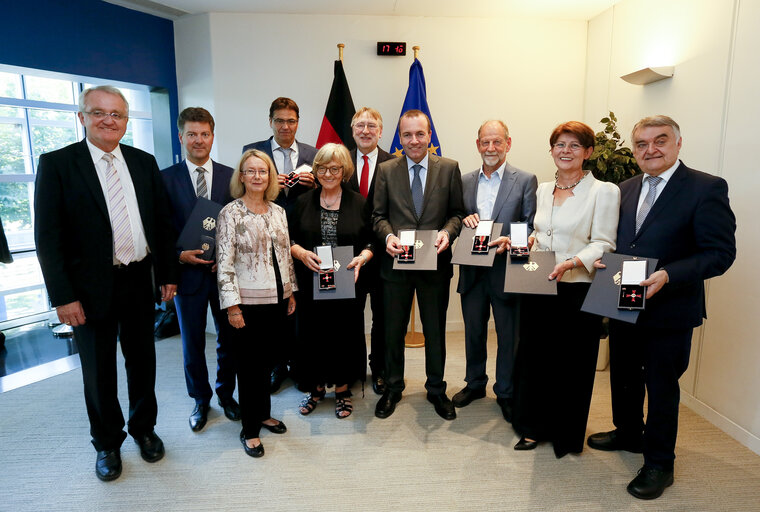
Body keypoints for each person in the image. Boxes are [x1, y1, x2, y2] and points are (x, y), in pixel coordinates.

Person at [586, 116, 736, 499]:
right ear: (634, 149)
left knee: (662, 387)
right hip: (622, 300)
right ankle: (628, 433)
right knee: (622, 376)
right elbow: (621, 244)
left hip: (670, 308)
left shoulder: (706, 188)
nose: (650, 149)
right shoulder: (625, 188)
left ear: (678, 144)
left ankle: (659, 463)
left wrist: (669, 274)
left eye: (660, 141)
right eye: (641, 143)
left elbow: (719, 254)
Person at [34, 85, 178, 481]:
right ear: (82, 117)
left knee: (142, 362)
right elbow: (48, 239)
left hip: (137, 279)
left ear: (127, 122)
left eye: (116, 114)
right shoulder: (58, 164)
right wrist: (62, 297)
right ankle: (107, 443)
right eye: (99, 113)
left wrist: (166, 274)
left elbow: (162, 225)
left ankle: (144, 429)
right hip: (87, 289)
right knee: (98, 371)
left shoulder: (144, 162)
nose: (108, 120)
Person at [511, 121, 619, 458]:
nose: (566, 151)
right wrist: (527, 240)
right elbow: (542, 232)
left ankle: (566, 434)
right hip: (538, 281)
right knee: (534, 356)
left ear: (588, 152)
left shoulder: (604, 191)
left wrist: (572, 263)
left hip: (577, 288)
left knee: (573, 363)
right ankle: (532, 427)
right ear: (552, 150)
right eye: (560, 144)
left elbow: (605, 242)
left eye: (574, 145)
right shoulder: (543, 189)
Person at [372, 109, 465, 420]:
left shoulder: (449, 168)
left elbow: (457, 214)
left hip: (434, 265)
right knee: (393, 330)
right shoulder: (385, 171)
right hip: (395, 265)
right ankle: (394, 388)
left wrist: (446, 234)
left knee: (435, 330)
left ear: (429, 135)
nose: (414, 140)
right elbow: (378, 216)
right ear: (400, 137)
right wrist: (386, 238)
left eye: (420, 134)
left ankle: (437, 389)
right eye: (407, 134)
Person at [453, 120, 537, 422]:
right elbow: (457, 214)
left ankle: (506, 391)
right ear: (478, 145)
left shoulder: (525, 179)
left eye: (497, 142)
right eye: (485, 142)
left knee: (507, 335)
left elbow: (530, 224)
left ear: (508, 143)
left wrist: (510, 241)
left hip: (506, 270)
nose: (491, 148)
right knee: (474, 331)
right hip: (473, 270)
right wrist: (464, 219)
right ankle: (475, 384)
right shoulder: (463, 180)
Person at [162, 107, 239, 432]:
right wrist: (178, 256)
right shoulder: (165, 178)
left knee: (229, 339)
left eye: (204, 134)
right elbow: (159, 229)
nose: (198, 140)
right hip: (187, 276)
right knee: (192, 342)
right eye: (191, 134)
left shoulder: (229, 175)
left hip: (225, 276)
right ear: (181, 137)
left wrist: (230, 255)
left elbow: (240, 223)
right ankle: (200, 399)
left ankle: (226, 394)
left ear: (212, 136)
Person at [216, 149, 296, 458]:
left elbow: (285, 255)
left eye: (262, 171)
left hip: (276, 299)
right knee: (248, 367)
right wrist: (232, 306)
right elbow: (224, 264)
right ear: (241, 176)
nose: (257, 176)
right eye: (251, 171)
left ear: (270, 177)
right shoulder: (230, 213)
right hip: (246, 303)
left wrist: (291, 293)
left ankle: (263, 414)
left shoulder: (278, 212)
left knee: (266, 363)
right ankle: (249, 429)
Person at [289, 143, 374, 418]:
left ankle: (341, 390)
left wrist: (363, 256)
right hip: (310, 281)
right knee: (311, 335)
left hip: (347, 281)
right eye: (323, 168)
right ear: (316, 170)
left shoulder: (360, 202)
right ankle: (314, 390)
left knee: (344, 335)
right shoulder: (302, 202)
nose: (328, 173)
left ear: (344, 171)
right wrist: (300, 253)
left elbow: (372, 241)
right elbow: (286, 240)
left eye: (334, 168)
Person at [241, 97, 317, 392]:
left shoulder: (312, 152)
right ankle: (274, 366)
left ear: (298, 122)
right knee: (271, 304)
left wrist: (314, 183)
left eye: (291, 121)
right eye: (280, 120)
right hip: (264, 238)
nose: (286, 126)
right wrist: (272, 185)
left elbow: (327, 187)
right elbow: (246, 188)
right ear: (270, 121)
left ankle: (298, 365)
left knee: (299, 305)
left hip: (302, 236)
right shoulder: (253, 152)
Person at [346, 107, 395, 395]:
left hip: (383, 254)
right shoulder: (340, 161)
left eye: (371, 126)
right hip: (349, 257)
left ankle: (379, 369)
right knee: (351, 317)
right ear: (352, 130)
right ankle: (353, 370)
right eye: (360, 125)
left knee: (382, 318)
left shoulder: (394, 164)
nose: (365, 130)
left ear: (380, 130)